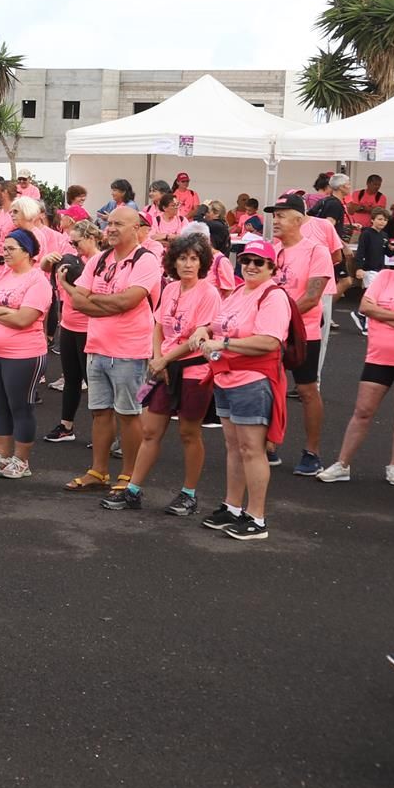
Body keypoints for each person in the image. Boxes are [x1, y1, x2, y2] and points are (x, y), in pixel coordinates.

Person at [105, 235, 220, 514]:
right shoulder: (170, 289)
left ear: (202, 262)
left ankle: (189, 494)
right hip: (165, 367)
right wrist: (157, 358)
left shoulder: (209, 293)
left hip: (194, 370)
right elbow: (158, 326)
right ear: (173, 262)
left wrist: (163, 360)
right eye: (182, 258)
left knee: (189, 433)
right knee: (150, 431)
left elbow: (197, 339)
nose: (188, 264)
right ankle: (133, 490)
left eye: (194, 259)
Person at [320, 235, 394, 485]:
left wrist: (384, 314)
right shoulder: (385, 277)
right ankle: (342, 464)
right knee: (363, 410)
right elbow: (366, 308)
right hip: (379, 357)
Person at [193, 238, 291, 541]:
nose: (250, 266)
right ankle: (233, 507)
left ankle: (256, 517)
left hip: (252, 380)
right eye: (246, 260)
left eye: (259, 262)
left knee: (251, 448)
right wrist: (204, 329)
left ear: (272, 267)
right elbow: (219, 323)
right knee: (234, 446)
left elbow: (269, 341)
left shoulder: (274, 296)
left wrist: (222, 343)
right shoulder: (238, 291)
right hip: (226, 376)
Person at [58, 207, 162, 494]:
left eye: (118, 224)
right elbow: (78, 301)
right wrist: (109, 302)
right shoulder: (99, 259)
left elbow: (128, 301)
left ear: (135, 228)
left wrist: (95, 300)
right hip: (97, 347)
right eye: (109, 223)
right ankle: (99, 472)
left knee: (128, 414)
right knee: (100, 412)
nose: (111, 228)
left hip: (129, 351)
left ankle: (128, 477)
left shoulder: (146, 260)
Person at [262, 195, 337, 477]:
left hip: (303, 332)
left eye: (281, 215)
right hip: (272, 331)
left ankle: (312, 452)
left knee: (306, 390)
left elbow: (312, 296)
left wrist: (281, 317)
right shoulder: (272, 251)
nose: (276, 220)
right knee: (269, 386)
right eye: (275, 215)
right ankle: (269, 445)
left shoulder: (316, 251)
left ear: (299, 219)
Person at [0, 228, 53, 479]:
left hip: (24, 354)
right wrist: (7, 312)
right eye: (4, 248)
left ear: (27, 252)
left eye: (10, 249)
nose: (4, 253)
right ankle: (1, 456)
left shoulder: (38, 281)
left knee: (20, 406)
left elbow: (24, 319)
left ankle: (21, 460)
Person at [43, 220, 101, 445]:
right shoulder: (73, 259)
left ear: (91, 238)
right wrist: (48, 260)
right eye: (71, 243)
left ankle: (102, 432)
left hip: (89, 327)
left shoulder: (101, 262)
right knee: (71, 379)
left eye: (76, 242)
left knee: (94, 382)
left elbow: (85, 296)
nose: (73, 247)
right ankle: (66, 426)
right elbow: (45, 269)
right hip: (69, 325)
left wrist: (64, 282)